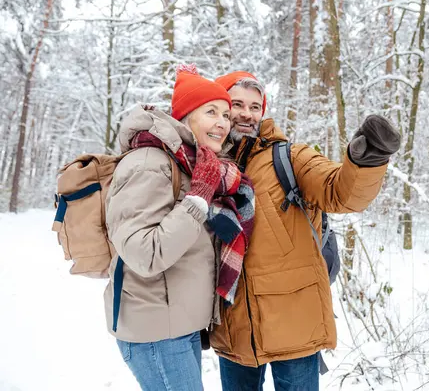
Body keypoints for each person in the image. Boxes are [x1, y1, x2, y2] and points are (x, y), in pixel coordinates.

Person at [210, 71, 401, 390]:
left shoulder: (289, 157)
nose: (247, 113)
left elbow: (340, 192)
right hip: (233, 326)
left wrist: (365, 159)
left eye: (255, 106)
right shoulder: (206, 166)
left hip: (294, 323)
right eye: (237, 103)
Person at [103, 64, 255, 391]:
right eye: (211, 112)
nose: (223, 123)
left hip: (178, 325)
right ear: (185, 117)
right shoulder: (148, 163)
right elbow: (144, 254)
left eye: (226, 114)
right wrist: (197, 200)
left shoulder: (189, 164)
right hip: (156, 332)